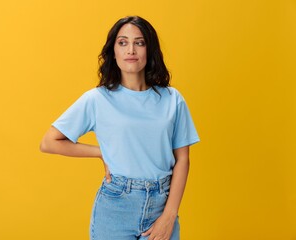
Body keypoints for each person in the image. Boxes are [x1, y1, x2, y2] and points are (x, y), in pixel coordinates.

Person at [40, 15, 200, 240]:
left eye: (139, 42)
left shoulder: (172, 99)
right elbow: (49, 142)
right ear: (113, 52)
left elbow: (183, 159)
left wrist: (169, 215)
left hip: (162, 204)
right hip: (115, 207)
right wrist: (100, 153)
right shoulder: (98, 99)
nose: (131, 50)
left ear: (149, 50)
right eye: (122, 43)